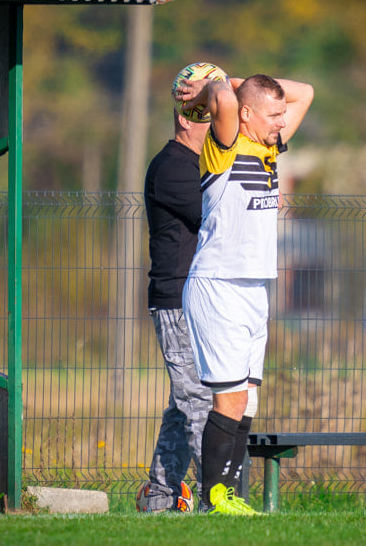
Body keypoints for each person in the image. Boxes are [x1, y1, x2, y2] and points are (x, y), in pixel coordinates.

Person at [176, 72, 313, 514]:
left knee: (248, 397)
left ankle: (228, 495)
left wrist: (234, 79)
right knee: (230, 397)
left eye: (281, 115)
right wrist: (216, 83)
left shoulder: (267, 143)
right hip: (219, 285)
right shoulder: (226, 143)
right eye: (273, 115)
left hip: (254, 288)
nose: (282, 120)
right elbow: (225, 103)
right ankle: (214, 499)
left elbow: (305, 93)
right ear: (248, 113)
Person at [137, 67, 215, 513]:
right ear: (186, 119)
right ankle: (214, 500)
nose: (218, 127)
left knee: (180, 406)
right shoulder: (173, 167)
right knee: (198, 403)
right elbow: (219, 217)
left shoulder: (198, 166)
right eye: (208, 116)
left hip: (200, 303)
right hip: (176, 301)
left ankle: (161, 496)